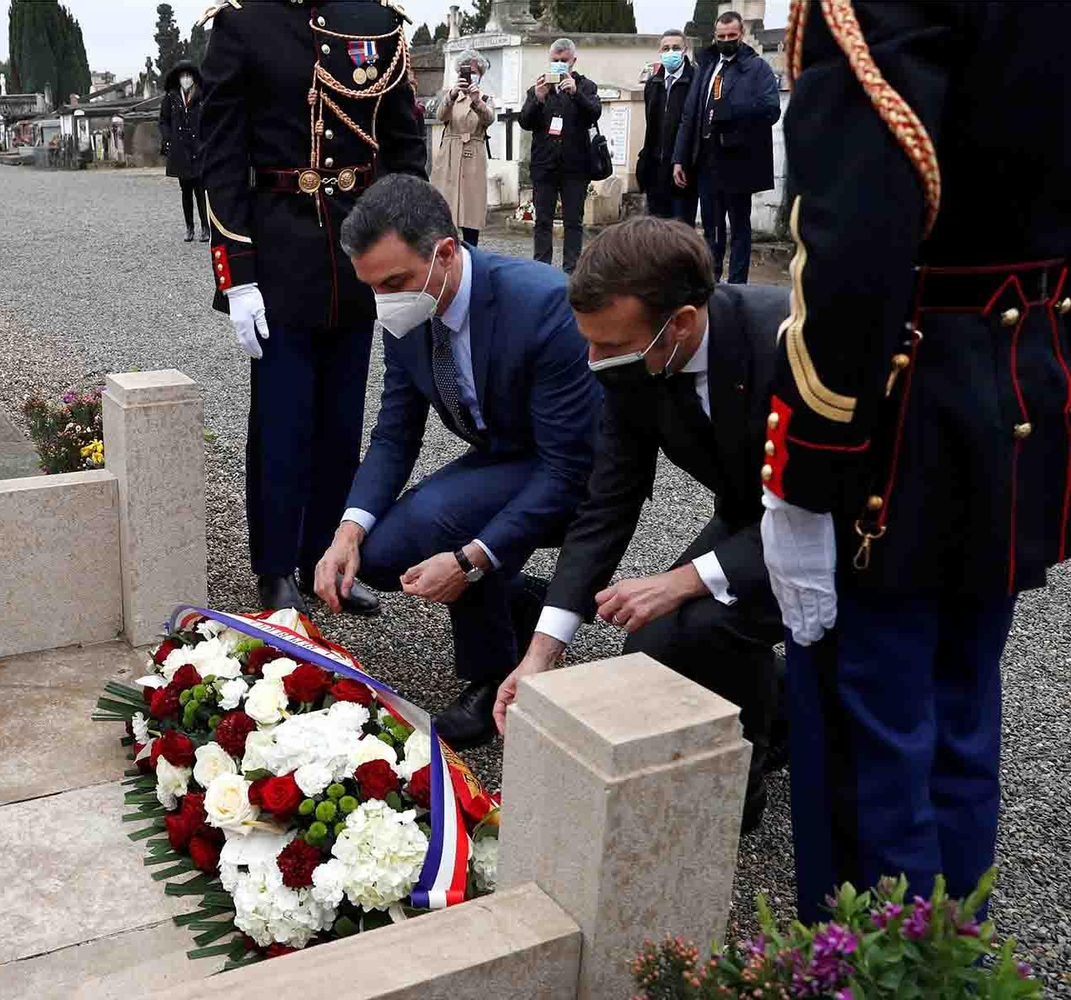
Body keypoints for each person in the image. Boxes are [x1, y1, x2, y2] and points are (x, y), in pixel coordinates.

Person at [761, 0, 1071, 919]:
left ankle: (886, 968)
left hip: (903, 415)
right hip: (1025, 386)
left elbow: (854, 240)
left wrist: (803, 472)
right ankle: (955, 948)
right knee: (964, 710)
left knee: (877, 731)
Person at [492, 217, 787, 834]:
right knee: (650, 650)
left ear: (681, 321)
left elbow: (822, 511)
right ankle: (786, 717)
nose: (594, 361)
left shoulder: (783, 341)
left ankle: (748, 771)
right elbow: (610, 500)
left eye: (609, 344)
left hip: (843, 534)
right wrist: (542, 653)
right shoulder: (634, 361)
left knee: (709, 623)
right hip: (748, 518)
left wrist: (684, 581)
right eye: (589, 343)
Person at [313, 174, 599, 749]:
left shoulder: (541, 304)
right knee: (380, 552)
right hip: (504, 458)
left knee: (453, 522)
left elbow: (568, 468)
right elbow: (395, 433)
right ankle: (516, 596)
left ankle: (490, 673)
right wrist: (347, 529)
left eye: (395, 281)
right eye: (373, 287)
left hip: (578, 474)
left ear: (445, 252)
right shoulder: (410, 310)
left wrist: (469, 561)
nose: (385, 301)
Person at [198, 0, 427, 615]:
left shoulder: (376, 21)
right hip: (279, 255)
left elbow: (404, 147)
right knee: (281, 423)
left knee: (341, 423)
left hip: (360, 253)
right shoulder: (243, 25)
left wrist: (411, 250)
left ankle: (324, 559)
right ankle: (275, 567)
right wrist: (236, 274)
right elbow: (221, 159)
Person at [672, 11, 778, 284]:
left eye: (732, 36)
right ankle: (711, 283)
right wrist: (679, 158)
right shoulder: (707, 66)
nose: (727, 41)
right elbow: (690, 115)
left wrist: (731, 111)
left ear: (741, 35)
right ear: (714, 36)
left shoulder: (757, 69)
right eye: (721, 37)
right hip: (706, 160)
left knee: (739, 227)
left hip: (738, 160)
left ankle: (737, 286)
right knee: (711, 227)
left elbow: (771, 109)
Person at [517, 37, 600, 273]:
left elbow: (594, 113)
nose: (560, 65)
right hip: (545, 166)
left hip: (575, 167)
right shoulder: (539, 87)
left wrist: (576, 93)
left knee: (573, 222)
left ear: (573, 61)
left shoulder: (586, 86)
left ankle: (571, 270)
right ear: (549, 60)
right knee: (542, 221)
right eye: (555, 61)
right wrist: (538, 98)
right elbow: (525, 121)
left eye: (564, 61)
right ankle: (542, 269)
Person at [432, 50, 496, 247]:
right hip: (450, 156)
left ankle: (470, 254)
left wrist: (476, 101)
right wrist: (451, 95)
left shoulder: (485, 99)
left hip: (472, 157)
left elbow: (489, 119)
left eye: (474, 72)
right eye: (465, 72)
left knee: (471, 212)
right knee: (445, 211)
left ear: (481, 75)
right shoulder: (451, 96)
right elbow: (440, 116)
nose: (469, 76)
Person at [637, 30, 697, 226]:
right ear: (659, 51)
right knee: (655, 234)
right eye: (666, 48)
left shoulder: (696, 81)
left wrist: (683, 161)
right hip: (655, 170)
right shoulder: (653, 83)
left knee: (680, 231)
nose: (671, 52)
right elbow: (651, 127)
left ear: (685, 50)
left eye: (676, 48)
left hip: (683, 171)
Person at [160, 58, 207, 243]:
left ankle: (205, 227)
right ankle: (189, 228)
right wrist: (168, 138)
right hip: (180, 150)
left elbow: (210, 119)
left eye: (189, 76)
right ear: (178, 79)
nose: (186, 79)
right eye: (183, 76)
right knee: (185, 191)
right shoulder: (171, 98)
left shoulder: (202, 96)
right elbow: (163, 120)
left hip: (198, 148)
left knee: (200, 190)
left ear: (194, 78)